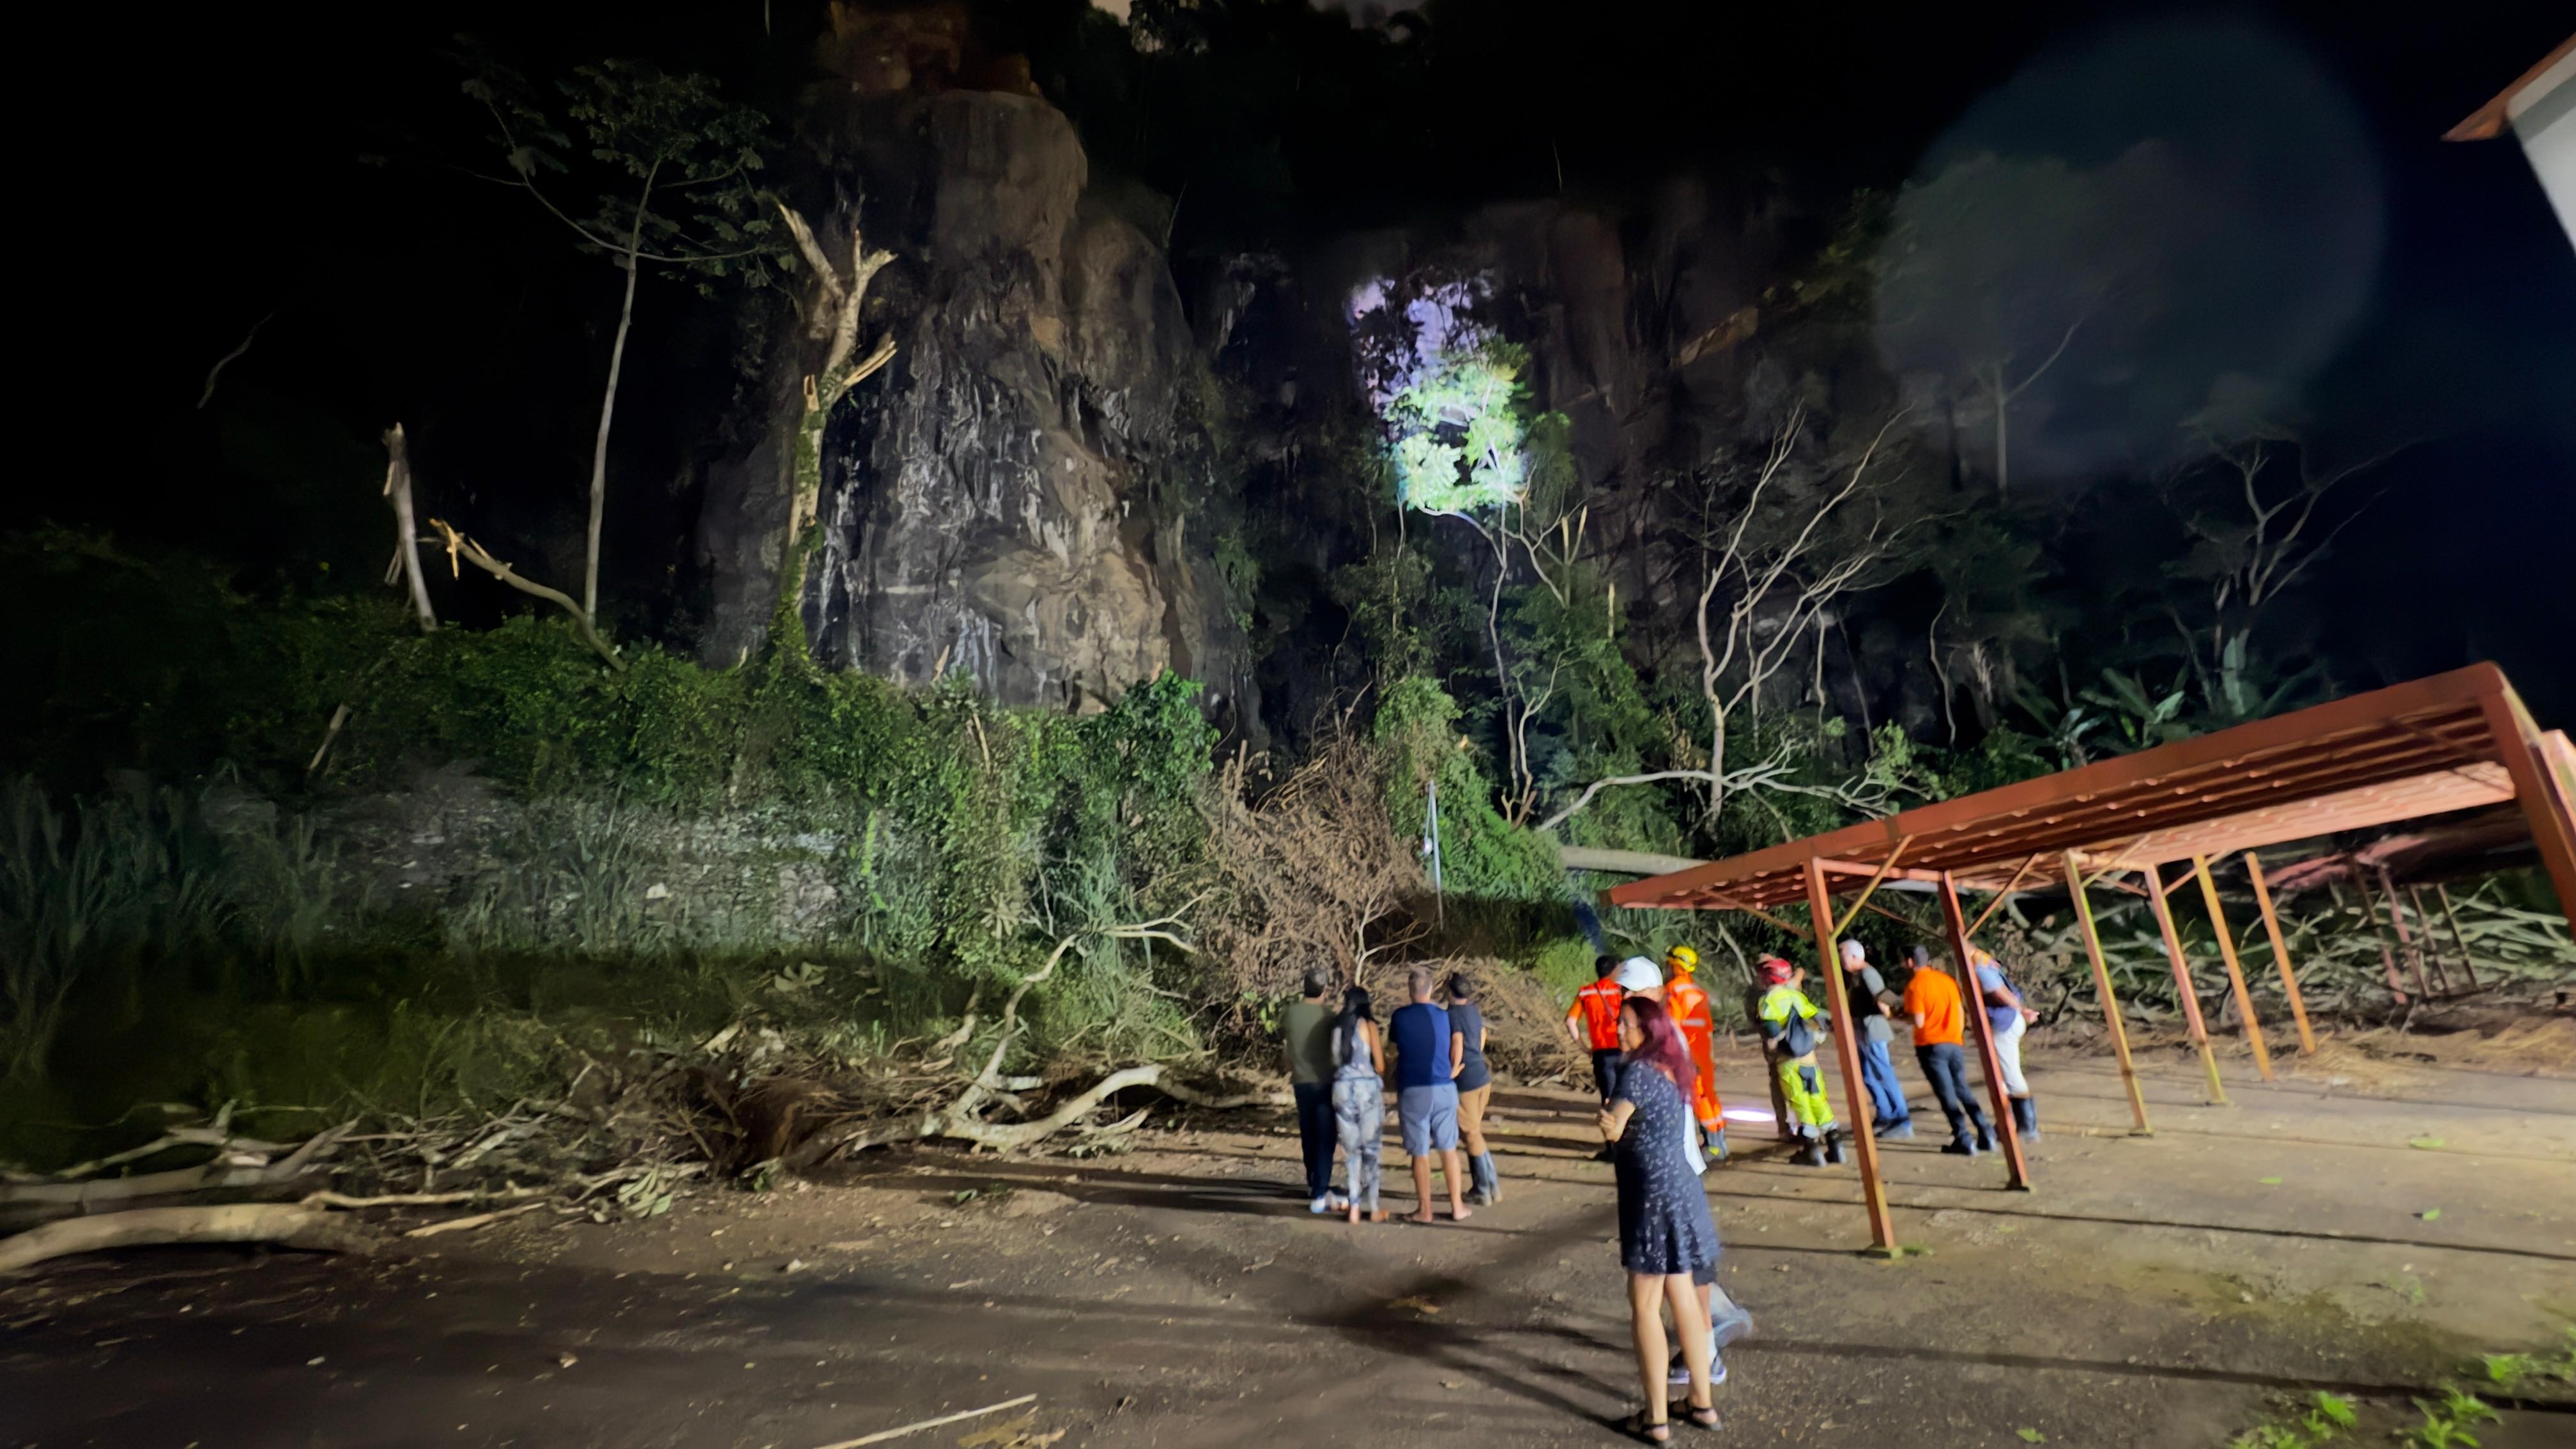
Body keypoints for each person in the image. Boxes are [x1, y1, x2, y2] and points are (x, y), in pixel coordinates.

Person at [1597, 996, 1721, 1441]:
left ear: (1648, 1031)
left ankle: (1655, 1417)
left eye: (1627, 1025)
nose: (1619, 1031)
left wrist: (1607, 1122)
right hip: (1682, 1186)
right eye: (1619, 1023)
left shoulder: (1636, 1072)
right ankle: (1701, 1402)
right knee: (1682, 1291)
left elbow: (1616, 1124)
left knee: (1645, 1305)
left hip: (1651, 1193)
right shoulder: (1674, 1067)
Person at [1389, 967, 1471, 1223]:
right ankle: (1457, 1207)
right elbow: (1458, 1041)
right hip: (1445, 1087)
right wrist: (1454, 1068)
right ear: (1432, 989)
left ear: (1409, 991)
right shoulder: (1445, 1016)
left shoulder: (1399, 1017)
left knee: (1420, 1153)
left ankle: (1425, 1210)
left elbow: (1391, 1051)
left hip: (1415, 1089)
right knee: (1449, 1149)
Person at [1901, 946, 1995, 1157]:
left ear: (1909, 962)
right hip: (1954, 1041)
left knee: (1946, 1095)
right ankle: (1985, 1131)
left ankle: (1962, 1137)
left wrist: (1898, 1016)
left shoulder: (1916, 986)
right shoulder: (1947, 980)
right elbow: (1960, 1012)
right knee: (1962, 1088)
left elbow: (1918, 1020)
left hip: (1931, 1044)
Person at [1755, 958, 1844, 1167]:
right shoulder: (1796, 996)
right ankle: (1836, 1147)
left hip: (1789, 1060)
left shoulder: (1768, 1001)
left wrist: (1772, 1047)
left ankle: (1812, 1152)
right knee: (1818, 1098)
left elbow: (1772, 1034)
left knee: (1800, 1100)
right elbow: (1818, 1020)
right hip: (1809, 1058)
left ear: (1767, 978)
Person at [1283, 967, 1344, 1213]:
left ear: (1303, 986)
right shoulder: (1329, 1016)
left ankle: (1313, 1181)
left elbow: (1286, 1049)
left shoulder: (1289, 1013)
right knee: (1326, 1136)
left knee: (1308, 1133)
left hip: (1300, 1081)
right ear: (1325, 989)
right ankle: (1320, 1190)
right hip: (1325, 1081)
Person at [1838, 940, 1913, 1140]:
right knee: (1868, 1075)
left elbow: (1882, 996)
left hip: (1873, 1030)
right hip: (1863, 1029)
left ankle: (1902, 1120)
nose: (1840, 958)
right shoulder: (1856, 976)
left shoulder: (1867, 974)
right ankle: (1886, 1114)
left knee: (1883, 1073)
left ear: (1855, 956)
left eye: (1842, 954)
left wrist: (1902, 1006)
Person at [1661, 946, 1728, 1160]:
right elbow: (1707, 1027)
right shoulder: (1698, 991)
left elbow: (1671, 1026)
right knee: (1708, 1094)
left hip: (1687, 1054)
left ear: (1674, 965)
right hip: (1704, 1053)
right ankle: (1720, 1142)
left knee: (1698, 1098)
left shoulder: (1673, 990)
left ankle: (1713, 1147)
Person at [1329, 985, 1386, 1224]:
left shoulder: (1337, 1027)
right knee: (1371, 1149)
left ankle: (1353, 1208)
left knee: (1351, 1150)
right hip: (1366, 1090)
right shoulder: (1369, 1026)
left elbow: (1334, 1060)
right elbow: (1381, 1065)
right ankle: (1373, 1208)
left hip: (1341, 1088)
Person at [1971, 947, 2041, 1142]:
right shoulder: (1985, 961)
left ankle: (2027, 1127)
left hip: (2004, 1024)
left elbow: (2002, 993)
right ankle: (2006, 1124)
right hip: (2007, 1021)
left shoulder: (1979, 968)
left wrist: (2022, 1010)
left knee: (2010, 1074)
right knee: (1999, 1075)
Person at [1446, 973, 1501, 1206]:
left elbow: (1457, 1041)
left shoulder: (1451, 1015)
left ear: (1450, 991)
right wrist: (1476, 1053)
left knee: (1471, 1134)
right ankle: (1490, 1187)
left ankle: (1484, 1188)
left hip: (1466, 1080)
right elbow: (1483, 1034)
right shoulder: (1473, 1011)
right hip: (1482, 1076)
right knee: (1474, 1132)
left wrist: (1453, 1069)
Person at [1565, 955, 1629, 1100]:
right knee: (1626, 1094)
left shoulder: (1586, 993)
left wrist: (1584, 1047)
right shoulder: (1622, 992)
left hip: (1601, 1052)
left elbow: (1570, 1022)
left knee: (1608, 1096)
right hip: (1624, 1048)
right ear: (1614, 971)